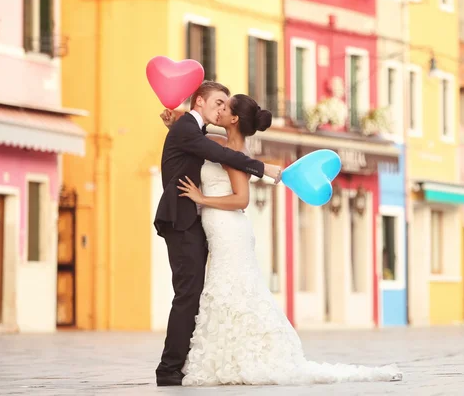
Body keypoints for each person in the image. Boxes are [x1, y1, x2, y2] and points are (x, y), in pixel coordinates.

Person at [174, 94, 403, 386]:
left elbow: (241, 198)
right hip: (222, 229)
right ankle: (231, 353)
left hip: (230, 229)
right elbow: (198, 139)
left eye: (224, 106)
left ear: (234, 120)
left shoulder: (233, 150)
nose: (218, 109)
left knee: (231, 289)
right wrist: (176, 123)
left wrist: (201, 198)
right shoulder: (225, 145)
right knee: (230, 289)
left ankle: (241, 355)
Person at [154, 81, 283, 387]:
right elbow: (207, 147)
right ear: (199, 101)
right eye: (218, 103)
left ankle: (177, 364)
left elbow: (215, 153)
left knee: (199, 294)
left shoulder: (197, 132)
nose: (223, 109)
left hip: (211, 226)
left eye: (226, 105)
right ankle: (169, 368)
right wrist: (263, 168)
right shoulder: (192, 130)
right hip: (185, 221)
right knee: (190, 294)